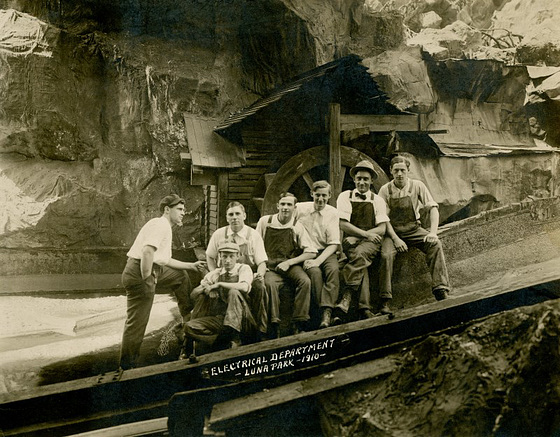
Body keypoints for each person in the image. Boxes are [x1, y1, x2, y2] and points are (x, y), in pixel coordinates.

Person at [119, 194, 205, 370]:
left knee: (181, 276)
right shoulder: (161, 225)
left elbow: (165, 260)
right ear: (167, 209)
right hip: (139, 272)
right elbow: (147, 252)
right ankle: (126, 368)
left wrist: (191, 265)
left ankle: (186, 320)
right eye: (179, 210)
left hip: (152, 269)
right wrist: (147, 279)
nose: (183, 213)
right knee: (137, 324)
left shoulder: (164, 226)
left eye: (183, 210)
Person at [378, 155, 450, 312]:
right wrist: (396, 240)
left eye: (403, 170)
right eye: (396, 170)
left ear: (408, 171)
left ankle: (440, 288)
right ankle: (385, 300)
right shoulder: (385, 190)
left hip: (413, 229)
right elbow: (383, 219)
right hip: (393, 232)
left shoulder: (417, 186)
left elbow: (433, 208)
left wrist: (432, 232)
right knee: (386, 255)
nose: (399, 174)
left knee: (435, 245)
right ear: (391, 171)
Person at [256, 192, 317, 336]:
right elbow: (255, 245)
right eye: (282, 204)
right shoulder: (266, 221)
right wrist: (261, 266)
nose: (285, 207)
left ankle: (299, 322)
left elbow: (311, 252)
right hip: (269, 265)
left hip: (289, 265)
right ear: (277, 205)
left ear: (294, 208)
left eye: (289, 205)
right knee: (270, 285)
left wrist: (290, 262)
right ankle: (275, 324)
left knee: (305, 281)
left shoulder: (297, 226)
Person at [205, 201, 268, 340]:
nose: (234, 217)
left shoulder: (253, 235)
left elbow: (262, 262)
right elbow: (210, 256)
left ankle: (260, 329)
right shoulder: (219, 234)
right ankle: (225, 330)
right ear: (227, 218)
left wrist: (260, 274)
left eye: (237, 213)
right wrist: (214, 273)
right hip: (225, 274)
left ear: (244, 215)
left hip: (247, 275)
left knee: (260, 286)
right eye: (231, 214)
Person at [182, 241, 256, 358]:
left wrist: (219, 285)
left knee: (233, 292)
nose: (227, 260)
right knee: (189, 326)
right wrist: (206, 289)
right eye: (224, 256)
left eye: (231, 256)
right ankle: (223, 342)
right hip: (220, 320)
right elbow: (193, 295)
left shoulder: (243, 269)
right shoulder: (215, 273)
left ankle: (235, 338)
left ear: (237, 256)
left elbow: (244, 286)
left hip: (243, 320)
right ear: (219, 257)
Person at [336, 160, 390, 319]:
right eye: (359, 178)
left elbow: (382, 228)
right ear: (354, 179)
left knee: (360, 254)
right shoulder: (345, 196)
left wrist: (362, 236)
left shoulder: (378, 200)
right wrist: (363, 235)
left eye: (366, 179)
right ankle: (364, 309)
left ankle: (346, 295)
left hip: (371, 241)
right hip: (352, 240)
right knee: (362, 264)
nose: (362, 182)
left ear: (372, 180)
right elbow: (343, 224)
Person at [296, 181, 341, 328]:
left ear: (329, 196)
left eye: (324, 196)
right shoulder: (299, 209)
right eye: (317, 195)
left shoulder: (333, 213)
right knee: (314, 273)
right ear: (311, 194)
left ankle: (327, 311)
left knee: (333, 270)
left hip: (326, 251)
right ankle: (322, 313)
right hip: (307, 252)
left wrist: (319, 261)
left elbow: (334, 243)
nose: (320, 199)